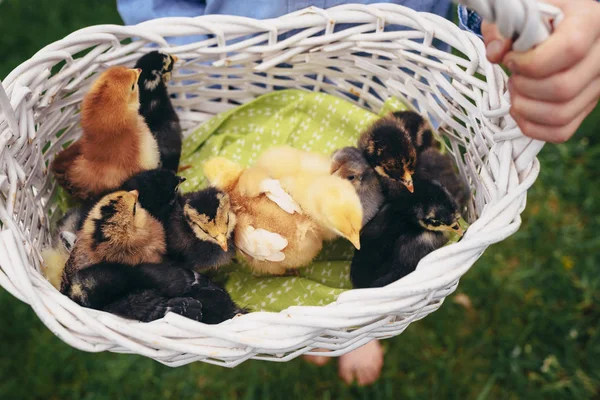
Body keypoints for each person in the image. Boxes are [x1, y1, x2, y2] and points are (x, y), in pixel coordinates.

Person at [117, 0, 600, 386]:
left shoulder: (369, 183)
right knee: (276, 267)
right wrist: (213, 52)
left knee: (367, 277)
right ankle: (323, 322)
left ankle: (354, 323)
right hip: (232, 61)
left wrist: (542, 12)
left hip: (394, 61)